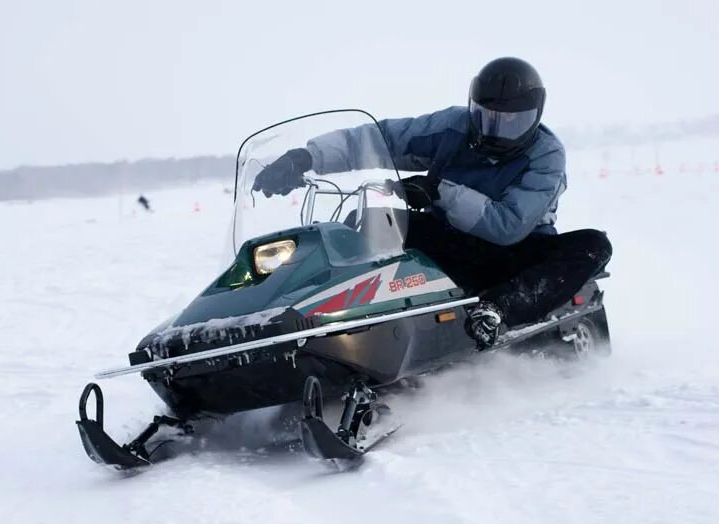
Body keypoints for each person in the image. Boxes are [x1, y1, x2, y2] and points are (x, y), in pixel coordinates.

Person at [252, 57, 612, 350]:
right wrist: (304, 157)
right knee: (370, 219)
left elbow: (509, 226)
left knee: (593, 245)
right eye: (486, 116)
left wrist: (438, 191)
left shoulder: (546, 155)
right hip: (453, 245)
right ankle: (315, 313)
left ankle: (495, 312)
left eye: (511, 123)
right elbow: (379, 139)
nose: (494, 130)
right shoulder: (454, 128)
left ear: (535, 116)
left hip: (517, 257)